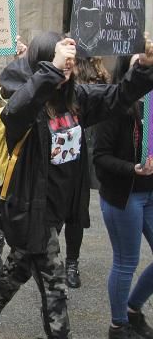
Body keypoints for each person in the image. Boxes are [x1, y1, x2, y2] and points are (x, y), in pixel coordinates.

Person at [0, 32, 153, 339]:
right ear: (41, 64)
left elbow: (117, 97)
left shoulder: (76, 99)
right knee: (55, 292)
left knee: (18, 269)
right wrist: (53, 68)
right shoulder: (19, 99)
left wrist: (144, 67)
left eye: (69, 62)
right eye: (58, 62)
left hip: (59, 208)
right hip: (28, 209)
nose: (68, 68)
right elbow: (19, 110)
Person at [92, 53, 153, 339]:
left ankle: (132, 309)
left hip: (150, 193)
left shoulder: (151, 106)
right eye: (140, 66)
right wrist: (133, 169)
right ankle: (118, 325)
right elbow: (99, 157)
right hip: (124, 195)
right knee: (126, 261)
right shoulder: (115, 107)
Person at [61, 56, 112, 288]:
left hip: (79, 150)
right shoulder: (63, 69)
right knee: (49, 215)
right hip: (56, 153)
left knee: (76, 211)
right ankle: (44, 260)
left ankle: (71, 262)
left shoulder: (99, 69)